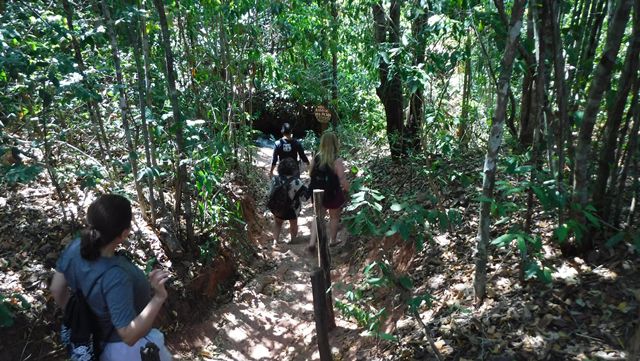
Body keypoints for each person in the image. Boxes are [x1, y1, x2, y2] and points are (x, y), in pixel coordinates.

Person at [50, 194, 173, 361]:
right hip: (122, 351)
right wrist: (159, 297)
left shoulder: (76, 247)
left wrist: (85, 319)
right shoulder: (116, 277)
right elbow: (128, 336)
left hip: (96, 342)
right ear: (124, 233)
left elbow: (56, 289)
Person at [307, 131, 350, 250]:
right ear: (335, 143)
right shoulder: (337, 160)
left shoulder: (316, 157)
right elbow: (342, 179)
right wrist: (350, 190)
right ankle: (332, 240)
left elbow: (310, 173)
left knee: (317, 216)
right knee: (334, 217)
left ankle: (312, 242)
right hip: (332, 193)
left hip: (317, 192)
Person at [269, 158, 309, 243]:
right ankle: (293, 240)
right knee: (293, 223)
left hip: (277, 208)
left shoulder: (275, 180)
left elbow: (270, 193)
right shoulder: (296, 182)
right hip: (291, 210)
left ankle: (275, 241)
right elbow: (304, 198)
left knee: (278, 223)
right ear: (293, 170)